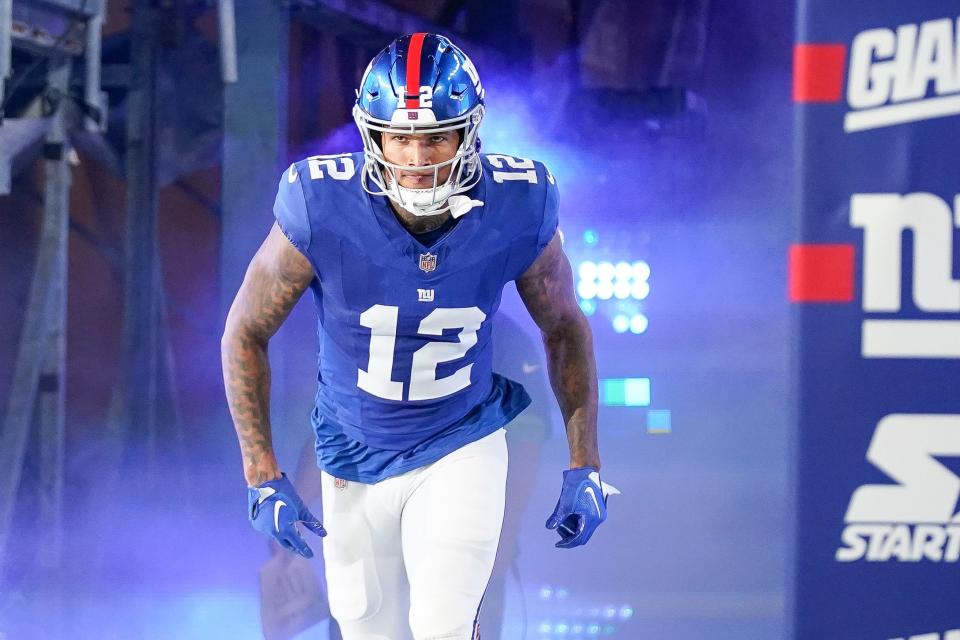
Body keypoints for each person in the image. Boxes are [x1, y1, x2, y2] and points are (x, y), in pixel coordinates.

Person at [221, 33, 617, 640]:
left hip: (462, 440)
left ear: (469, 133)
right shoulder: (320, 202)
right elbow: (246, 330)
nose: (416, 156)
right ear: (371, 134)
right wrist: (261, 474)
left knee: (443, 627)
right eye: (400, 137)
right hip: (352, 448)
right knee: (364, 629)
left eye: (435, 136)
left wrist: (585, 463)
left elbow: (564, 327)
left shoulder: (517, 202)